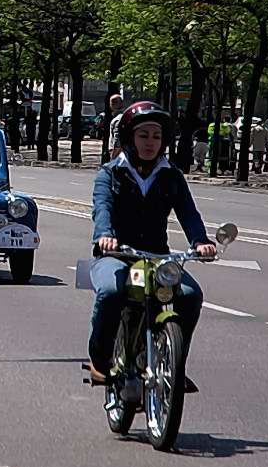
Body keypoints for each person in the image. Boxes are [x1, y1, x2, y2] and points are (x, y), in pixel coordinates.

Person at [88, 102, 216, 386]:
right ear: (129, 138)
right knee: (111, 292)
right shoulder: (110, 173)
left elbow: (188, 213)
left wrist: (200, 241)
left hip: (157, 257)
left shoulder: (171, 175)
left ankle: (174, 364)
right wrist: (105, 236)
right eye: (143, 135)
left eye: (156, 136)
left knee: (190, 295)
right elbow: (102, 207)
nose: (150, 142)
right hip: (117, 255)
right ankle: (100, 360)